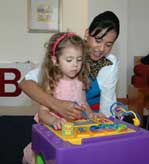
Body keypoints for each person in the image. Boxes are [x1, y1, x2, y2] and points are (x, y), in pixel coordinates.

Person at [20, 10, 120, 119]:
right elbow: (25, 83)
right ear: (87, 33)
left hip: (88, 116)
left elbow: (107, 102)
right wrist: (57, 105)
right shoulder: (70, 51)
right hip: (58, 115)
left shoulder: (110, 63)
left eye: (108, 45)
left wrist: (105, 123)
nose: (101, 49)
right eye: (98, 40)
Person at [22, 32, 102, 164]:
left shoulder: (80, 81)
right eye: (69, 60)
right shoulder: (51, 83)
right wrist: (54, 121)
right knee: (49, 157)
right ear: (55, 61)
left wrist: (90, 114)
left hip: (73, 128)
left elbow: (83, 103)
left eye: (79, 59)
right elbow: (43, 113)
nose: (75, 65)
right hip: (53, 130)